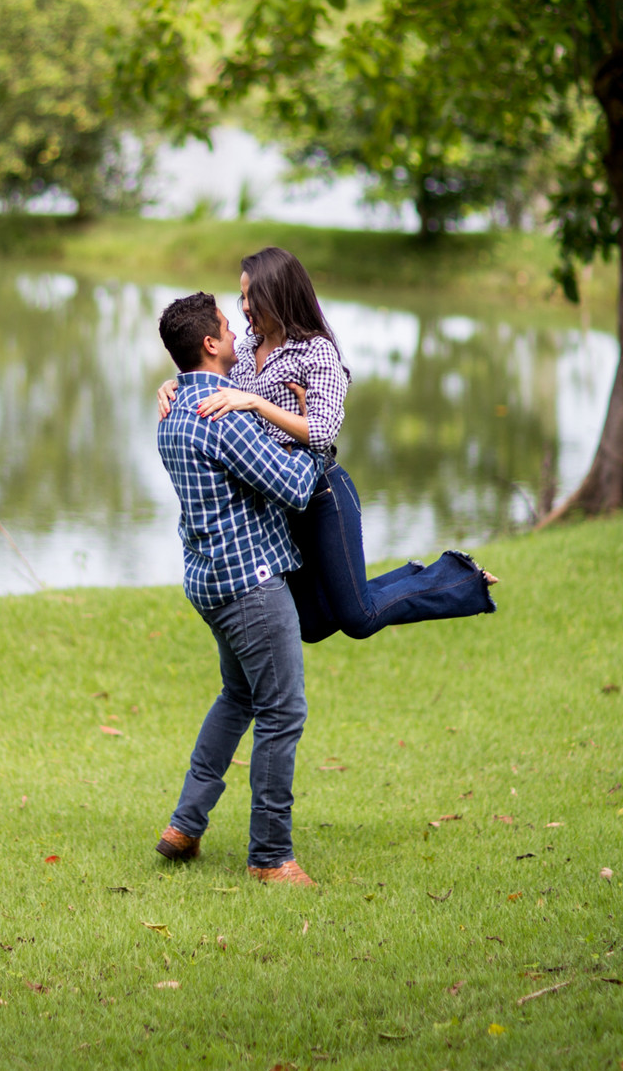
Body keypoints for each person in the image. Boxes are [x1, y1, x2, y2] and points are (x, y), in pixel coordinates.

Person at [158, 246, 497, 643]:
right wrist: (176, 383)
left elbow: (322, 432)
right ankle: (412, 574)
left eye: (250, 296)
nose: (244, 307)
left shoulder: (318, 352)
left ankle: (459, 576)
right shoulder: (247, 351)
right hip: (281, 500)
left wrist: (257, 403)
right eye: (242, 296)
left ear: (276, 295)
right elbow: (214, 383)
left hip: (321, 496)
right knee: (313, 625)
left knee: (358, 619)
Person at [154, 289, 323, 887]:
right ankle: (271, 856)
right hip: (251, 586)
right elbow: (297, 488)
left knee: (238, 698)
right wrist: (311, 436)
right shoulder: (223, 417)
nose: (237, 335)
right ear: (208, 343)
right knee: (282, 712)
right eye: (228, 327)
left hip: (208, 582)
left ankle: (184, 826)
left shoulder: (171, 411)